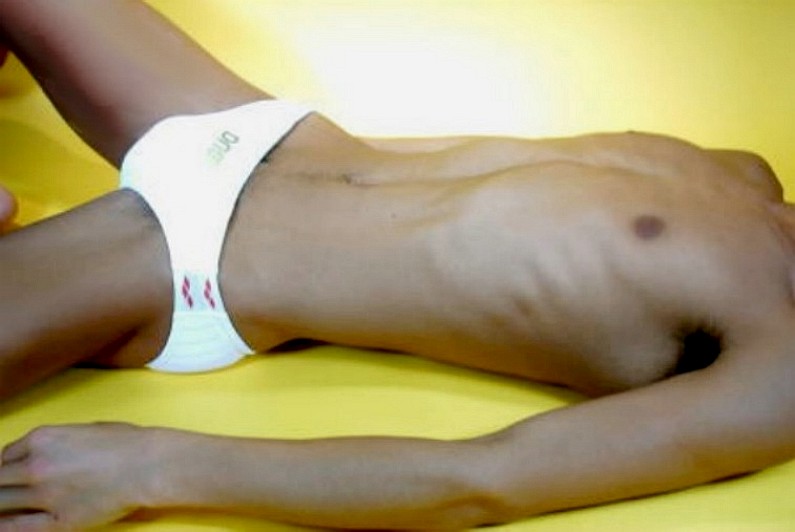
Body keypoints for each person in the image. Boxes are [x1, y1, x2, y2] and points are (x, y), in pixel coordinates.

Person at [0, 0, 793, 530]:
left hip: (201, 263)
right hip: (262, 134)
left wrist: (150, 466)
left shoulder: (776, 372)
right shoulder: (750, 178)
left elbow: (483, 480)